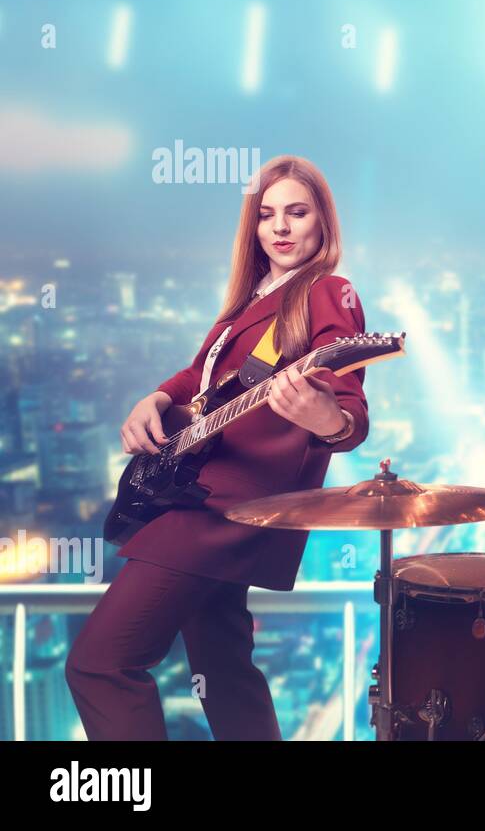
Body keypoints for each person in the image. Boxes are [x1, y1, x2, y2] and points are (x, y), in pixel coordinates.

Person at [66, 155, 370, 740]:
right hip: (207, 492)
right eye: (267, 215)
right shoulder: (254, 299)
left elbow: (350, 414)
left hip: (222, 511)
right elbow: (202, 380)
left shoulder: (328, 290)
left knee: (100, 665)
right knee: (226, 672)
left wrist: (326, 418)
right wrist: (154, 398)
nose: (280, 227)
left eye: (297, 212)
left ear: (322, 223)